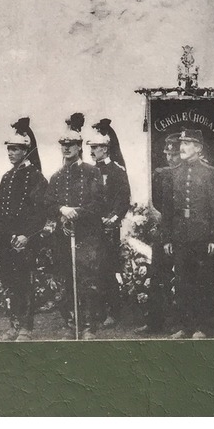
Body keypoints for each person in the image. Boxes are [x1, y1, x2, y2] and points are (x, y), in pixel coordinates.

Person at [46, 113, 105, 339]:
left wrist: (77, 212)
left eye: (71, 145)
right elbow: (48, 203)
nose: (66, 148)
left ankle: (89, 326)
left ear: (80, 147)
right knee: (66, 281)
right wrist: (61, 210)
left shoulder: (92, 172)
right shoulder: (57, 177)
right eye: (63, 145)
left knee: (88, 281)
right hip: (64, 235)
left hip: (87, 236)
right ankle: (72, 324)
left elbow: (97, 204)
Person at [0, 117, 48, 341]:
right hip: (6, 240)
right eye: (9, 149)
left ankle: (26, 327)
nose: (11, 153)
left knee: (24, 283)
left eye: (15, 149)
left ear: (26, 151)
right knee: (10, 283)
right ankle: (13, 325)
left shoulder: (35, 177)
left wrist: (27, 236)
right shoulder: (7, 177)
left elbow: (39, 212)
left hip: (24, 241)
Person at [161, 129, 214, 339]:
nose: (182, 147)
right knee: (182, 282)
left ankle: (201, 327)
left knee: (202, 282)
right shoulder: (174, 172)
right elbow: (167, 209)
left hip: (202, 236)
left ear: (199, 148)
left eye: (188, 143)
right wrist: (167, 237)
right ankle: (184, 326)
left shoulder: (209, 172)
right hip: (180, 236)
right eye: (182, 143)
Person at [87, 119, 131, 327]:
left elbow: (123, 199)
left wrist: (112, 219)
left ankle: (113, 311)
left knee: (107, 269)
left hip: (109, 228)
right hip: (90, 228)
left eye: (96, 147)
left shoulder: (117, 171)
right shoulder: (86, 172)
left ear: (105, 149)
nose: (93, 151)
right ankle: (96, 311)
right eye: (92, 147)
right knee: (91, 269)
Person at [138, 134, 181, 336]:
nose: (171, 158)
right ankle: (154, 321)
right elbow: (157, 203)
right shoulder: (160, 175)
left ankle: (179, 322)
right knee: (157, 276)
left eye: (175, 154)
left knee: (181, 277)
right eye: (168, 154)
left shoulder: (188, 174)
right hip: (164, 232)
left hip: (182, 232)